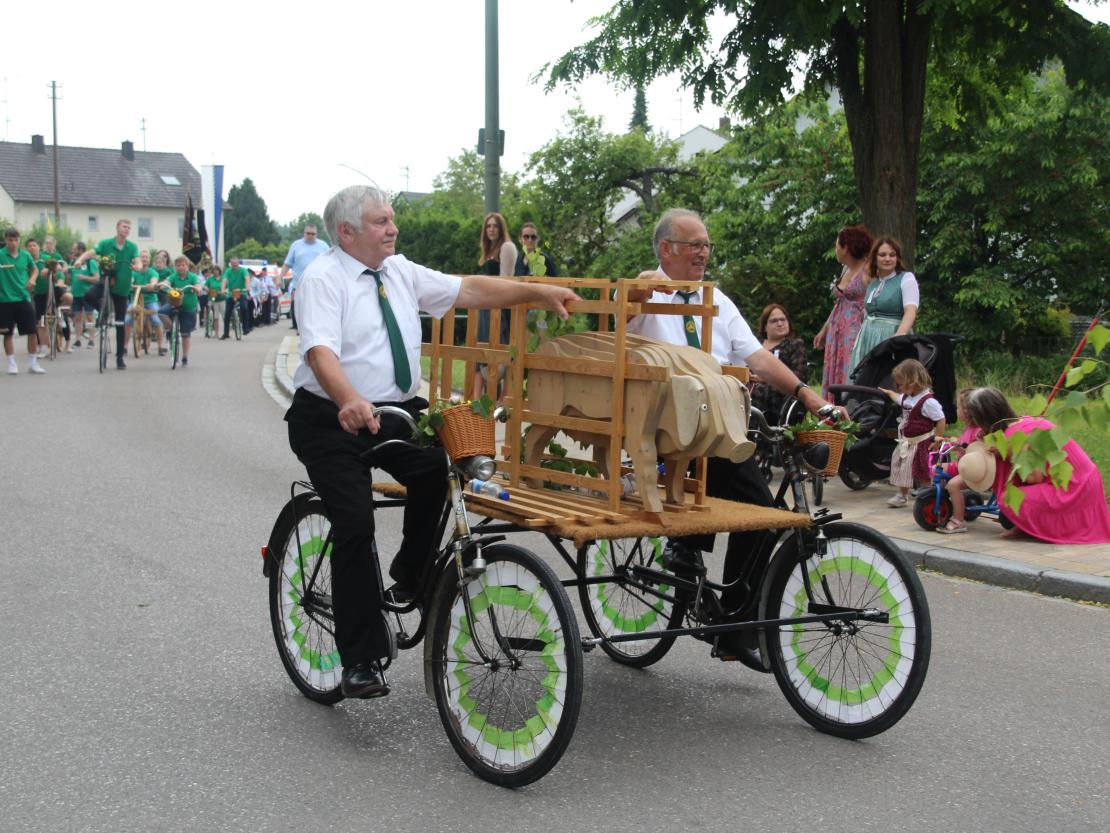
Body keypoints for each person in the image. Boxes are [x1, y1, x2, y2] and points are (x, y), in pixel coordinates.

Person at [285, 184, 577, 699]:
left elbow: (470, 290)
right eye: (381, 221)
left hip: (394, 412)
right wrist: (349, 399)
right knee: (354, 521)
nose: (393, 228)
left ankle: (410, 577)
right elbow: (319, 353)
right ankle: (360, 659)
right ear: (347, 232)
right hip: (331, 417)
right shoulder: (323, 279)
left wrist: (536, 291)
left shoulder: (399, 271)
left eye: (391, 218)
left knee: (443, 470)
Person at [626, 208, 844, 669]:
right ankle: (691, 558)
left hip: (719, 424)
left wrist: (809, 397)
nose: (703, 253)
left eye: (707, 245)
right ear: (666, 249)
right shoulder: (645, 294)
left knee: (760, 514)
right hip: (663, 428)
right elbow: (623, 310)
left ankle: (728, 622)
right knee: (743, 502)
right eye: (694, 245)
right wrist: (644, 285)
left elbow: (757, 357)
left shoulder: (717, 300)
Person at [957, 387, 1110, 544]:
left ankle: (1036, 527)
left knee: (1008, 498)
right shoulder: (1024, 421)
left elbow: (1034, 477)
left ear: (983, 418)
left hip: (1075, 488)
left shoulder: (1014, 436)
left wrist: (1007, 452)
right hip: (1085, 480)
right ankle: (1025, 527)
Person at [878, 358, 946, 508]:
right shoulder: (908, 397)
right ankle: (902, 495)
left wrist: (938, 439)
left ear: (913, 381)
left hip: (922, 442)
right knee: (904, 468)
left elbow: (941, 419)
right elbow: (899, 399)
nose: (899, 388)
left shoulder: (928, 401)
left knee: (923, 469)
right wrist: (889, 393)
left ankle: (929, 494)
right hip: (907, 442)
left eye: (901, 384)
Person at [814, 224, 872, 397]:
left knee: (849, 366)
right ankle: (832, 404)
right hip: (836, 329)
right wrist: (824, 329)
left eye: (837, 246)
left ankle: (849, 403)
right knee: (835, 367)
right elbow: (839, 302)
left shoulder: (868, 269)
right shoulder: (845, 269)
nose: (836, 250)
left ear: (845, 248)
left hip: (854, 328)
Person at [849, 235, 919, 375]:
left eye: (892, 255)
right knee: (864, 379)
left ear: (897, 258)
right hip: (868, 337)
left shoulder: (906, 278)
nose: (888, 259)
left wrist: (899, 335)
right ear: (875, 257)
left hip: (891, 336)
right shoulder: (874, 283)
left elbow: (911, 310)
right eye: (883, 255)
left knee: (888, 378)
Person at [77, 219, 142, 370]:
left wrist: (138, 266)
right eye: (124, 227)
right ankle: (103, 311)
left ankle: (119, 358)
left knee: (120, 323)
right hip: (105, 281)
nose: (127, 230)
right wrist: (80, 260)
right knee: (89, 296)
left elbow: (137, 260)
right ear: (117, 227)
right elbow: (91, 253)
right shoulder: (106, 243)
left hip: (122, 286)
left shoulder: (132, 246)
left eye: (129, 228)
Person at [472, 212, 518, 401]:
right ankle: (475, 401)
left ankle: (503, 399)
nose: (491, 229)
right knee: (481, 348)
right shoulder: (489, 250)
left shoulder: (506, 247)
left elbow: (505, 281)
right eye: (488, 226)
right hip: (486, 305)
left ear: (501, 228)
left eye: (495, 226)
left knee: (501, 349)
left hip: (500, 307)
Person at [933, 388, 985, 534]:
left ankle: (958, 520)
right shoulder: (969, 428)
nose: (956, 410)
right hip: (961, 466)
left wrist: (961, 446)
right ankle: (946, 503)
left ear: (967, 411)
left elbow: (979, 453)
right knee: (937, 469)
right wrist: (948, 441)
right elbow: (962, 444)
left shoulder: (979, 431)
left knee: (953, 485)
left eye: (958, 407)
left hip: (973, 469)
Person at [749, 303, 807, 421]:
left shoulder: (795, 345)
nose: (780, 323)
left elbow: (800, 376)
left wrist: (765, 379)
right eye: (774, 321)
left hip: (780, 391)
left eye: (783, 320)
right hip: (748, 385)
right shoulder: (754, 345)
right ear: (765, 326)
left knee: (758, 392)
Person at [0, 228, 45, 374]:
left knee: (32, 331)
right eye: (10, 240)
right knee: (7, 334)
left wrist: (32, 279)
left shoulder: (25, 255)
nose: (13, 243)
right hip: (5, 299)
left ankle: (33, 363)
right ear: (6, 240)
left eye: (16, 240)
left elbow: (35, 269)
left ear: (19, 241)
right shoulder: (1, 254)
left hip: (24, 297)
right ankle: (12, 363)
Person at [281, 224, 329, 331]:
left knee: (318, 308)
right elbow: (287, 263)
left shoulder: (324, 246)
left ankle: (317, 329)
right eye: (308, 233)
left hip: (318, 284)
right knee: (300, 308)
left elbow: (331, 264)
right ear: (304, 233)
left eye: (313, 234)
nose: (310, 236)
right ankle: (300, 329)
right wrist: (280, 277)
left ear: (316, 234)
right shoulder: (296, 245)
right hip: (299, 284)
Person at [158, 255, 203, 366]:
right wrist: (162, 285)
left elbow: (198, 284)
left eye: (183, 265)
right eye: (178, 265)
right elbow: (167, 282)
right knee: (162, 312)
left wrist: (197, 288)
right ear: (175, 267)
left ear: (187, 266)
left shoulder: (192, 277)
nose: (180, 267)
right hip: (174, 303)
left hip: (188, 307)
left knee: (185, 334)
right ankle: (172, 330)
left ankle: (185, 357)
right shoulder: (173, 276)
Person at [125, 250, 167, 356]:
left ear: (149, 260)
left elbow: (154, 280)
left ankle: (160, 346)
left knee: (156, 320)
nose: (144, 259)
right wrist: (129, 284)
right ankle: (124, 346)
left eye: (146, 257)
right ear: (139, 259)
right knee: (127, 320)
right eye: (142, 257)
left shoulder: (152, 272)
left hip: (150, 300)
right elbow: (130, 280)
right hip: (135, 299)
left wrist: (152, 284)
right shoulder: (133, 272)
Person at [68, 241, 99, 349]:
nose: (72, 250)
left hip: (87, 294)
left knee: (90, 316)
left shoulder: (91, 262)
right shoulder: (73, 262)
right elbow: (70, 277)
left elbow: (96, 278)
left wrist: (84, 278)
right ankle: (78, 340)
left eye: (74, 249)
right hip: (76, 294)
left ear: (81, 250)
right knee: (77, 317)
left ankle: (91, 340)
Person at [220, 256, 252, 338]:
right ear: (230, 264)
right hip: (231, 293)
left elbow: (247, 279)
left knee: (244, 308)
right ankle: (226, 333)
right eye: (232, 263)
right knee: (227, 314)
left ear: (238, 263)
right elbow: (224, 280)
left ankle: (245, 328)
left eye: (235, 263)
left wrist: (247, 287)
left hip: (241, 292)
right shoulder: (228, 271)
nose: (234, 265)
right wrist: (222, 289)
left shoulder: (243, 270)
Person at [204, 266, 225, 337]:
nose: (215, 272)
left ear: (219, 271)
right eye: (214, 270)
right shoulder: (210, 279)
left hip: (222, 299)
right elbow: (205, 285)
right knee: (215, 317)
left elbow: (228, 287)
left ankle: (226, 332)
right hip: (213, 298)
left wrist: (223, 291)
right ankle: (216, 333)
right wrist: (206, 288)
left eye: (217, 270)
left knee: (225, 316)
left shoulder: (223, 278)